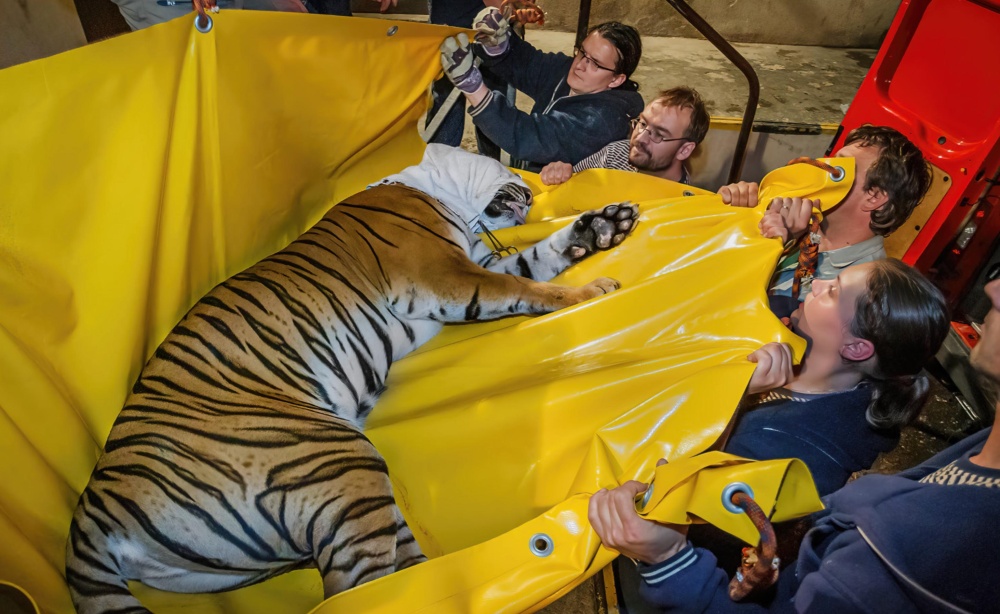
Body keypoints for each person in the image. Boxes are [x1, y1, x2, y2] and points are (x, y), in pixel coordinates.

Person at [588, 274, 1000, 613]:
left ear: (856, 348)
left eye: (834, 291)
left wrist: (734, 396)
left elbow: (669, 474)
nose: (818, 282)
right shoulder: (810, 373)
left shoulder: (796, 454)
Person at [721, 125, 932, 318]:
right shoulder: (803, 224)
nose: (821, 168)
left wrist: (767, 244)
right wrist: (740, 218)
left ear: (873, 197)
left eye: (839, 170)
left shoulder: (859, 293)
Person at [439, 14, 644, 171]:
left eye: (595, 64)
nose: (580, 65)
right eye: (582, 52)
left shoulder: (602, 121)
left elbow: (531, 135)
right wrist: (499, 45)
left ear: (617, 79)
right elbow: (530, 64)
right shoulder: (569, 71)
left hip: (562, 206)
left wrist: (473, 87)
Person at [538, 86, 710, 186]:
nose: (640, 138)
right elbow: (574, 182)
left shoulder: (682, 205)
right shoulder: (616, 154)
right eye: (642, 123)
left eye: (659, 135)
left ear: (685, 150)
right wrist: (561, 175)